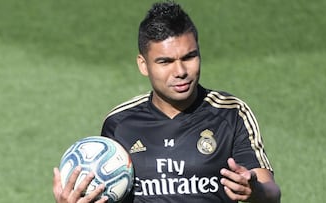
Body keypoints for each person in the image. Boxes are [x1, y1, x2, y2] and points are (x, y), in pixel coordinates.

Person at [53, 1, 281, 203]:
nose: (180, 71)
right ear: (144, 65)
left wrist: (255, 191)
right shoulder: (120, 123)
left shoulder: (231, 113)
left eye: (189, 57)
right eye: (165, 61)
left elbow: (272, 192)